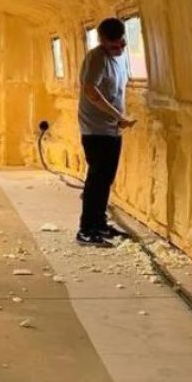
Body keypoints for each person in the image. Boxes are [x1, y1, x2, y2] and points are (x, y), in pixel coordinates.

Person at [77, 16, 137, 246]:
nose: (118, 49)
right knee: (96, 179)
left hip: (111, 128)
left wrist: (117, 119)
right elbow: (91, 91)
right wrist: (118, 116)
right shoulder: (97, 58)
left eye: (121, 44)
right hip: (95, 128)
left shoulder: (119, 58)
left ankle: (100, 224)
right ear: (102, 41)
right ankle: (86, 229)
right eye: (112, 46)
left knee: (106, 179)